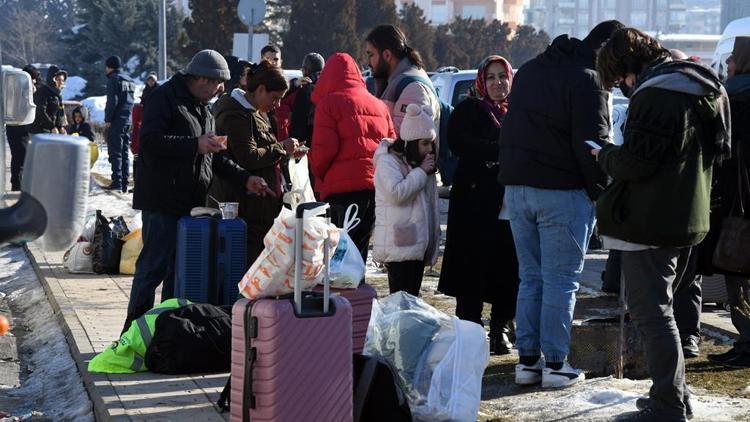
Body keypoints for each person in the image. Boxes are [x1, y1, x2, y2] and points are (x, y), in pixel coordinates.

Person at [596, 28, 729, 421]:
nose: (622, 87)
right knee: (665, 312)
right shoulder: (697, 85)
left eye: (620, 79)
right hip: (689, 216)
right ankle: (676, 395)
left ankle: (667, 406)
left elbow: (637, 163)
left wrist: (604, 155)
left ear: (629, 66)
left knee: (653, 315)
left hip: (652, 220)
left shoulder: (657, 94)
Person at [498, 20, 624, 388]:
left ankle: (527, 362)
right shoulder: (589, 79)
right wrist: (602, 194)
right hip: (562, 191)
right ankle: (555, 363)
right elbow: (593, 145)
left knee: (530, 278)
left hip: (517, 189)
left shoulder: (533, 69)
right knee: (560, 281)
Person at [125, 50, 273, 334]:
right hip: (162, 201)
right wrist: (194, 144)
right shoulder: (164, 98)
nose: (222, 89)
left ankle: (163, 332)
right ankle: (131, 333)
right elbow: (151, 142)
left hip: (190, 204)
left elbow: (213, 157)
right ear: (203, 78)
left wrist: (245, 179)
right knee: (151, 269)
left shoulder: (202, 107)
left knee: (176, 273)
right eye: (219, 83)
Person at [438, 55, 519, 355]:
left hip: (507, 203)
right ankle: (469, 332)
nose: (498, 83)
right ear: (481, 82)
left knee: (507, 268)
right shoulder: (470, 108)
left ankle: (500, 329)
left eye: (503, 76)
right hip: (474, 204)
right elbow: (458, 143)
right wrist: (499, 149)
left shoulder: (517, 113)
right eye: (491, 77)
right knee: (472, 268)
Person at [211, 60, 301, 265]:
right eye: (275, 98)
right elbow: (248, 156)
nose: (277, 105)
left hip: (259, 207)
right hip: (245, 207)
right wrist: (281, 148)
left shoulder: (255, 113)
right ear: (260, 89)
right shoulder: (236, 115)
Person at [309, 52, 396, 262]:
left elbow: (323, 151)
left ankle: (341, 295)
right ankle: (359, 292)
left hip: (340, 192)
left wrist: (316, 174)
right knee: (360, 250)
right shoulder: (379, 105)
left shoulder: (329, 104)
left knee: (338, 256)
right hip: (373, 187)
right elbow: (391, 144)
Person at [699, 36, 750, 369]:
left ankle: (747, 342)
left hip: (738, 201)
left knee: (737, 270)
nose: (727, 64)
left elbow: (722, 150)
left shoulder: (732, 96)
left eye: (733, 58)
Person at [373, 104, 439, 296]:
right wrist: (420, 172)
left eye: (431, 143)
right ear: (412, 142)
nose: (429, 149)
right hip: (399, 246)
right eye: (425, 143)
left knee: (411, 301)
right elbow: (396, 194)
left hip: (417, 244)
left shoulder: (419, 163)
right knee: (400, 301)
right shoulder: (388, 161)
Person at [365, 25, 439, 136]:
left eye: (371, 55)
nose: (368, 63)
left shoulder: (413, 88)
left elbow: (403, 139)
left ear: (387, 55)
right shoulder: (397, 82)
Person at [103, 55, 136, 192]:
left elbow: (112, 101)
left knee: (115, 151)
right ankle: (124, 182)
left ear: (110, 67)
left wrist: (108, 119)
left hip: (117, 120)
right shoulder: (130, 80)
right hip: (128, 119)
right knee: (124, 152)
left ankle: (116, 181)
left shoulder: (113, 80)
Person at [6, 65, 40, 191]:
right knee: (20, 155)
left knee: (20, 156)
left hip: (23, 126)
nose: (35, 81)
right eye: (33, 78)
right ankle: (16, 185)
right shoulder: (18, 88)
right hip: (15, 126)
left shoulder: (30, 89)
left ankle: (18, 184)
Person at [290, 53, 325, 145]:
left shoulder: (305, 89)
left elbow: (299, 120)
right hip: (324, 139)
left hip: (307, 142)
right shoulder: (329, 88)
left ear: (306, 70)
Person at [29, 65, 67, 136]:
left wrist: (61, 126)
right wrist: (52, 127)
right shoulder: (42, 92)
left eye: (62, 80)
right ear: (51, 79)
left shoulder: (57, 94)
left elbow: (58, 113)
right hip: (38, 130)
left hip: (50, 130)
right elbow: (41, 111)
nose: (61, 82)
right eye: (58, 80)